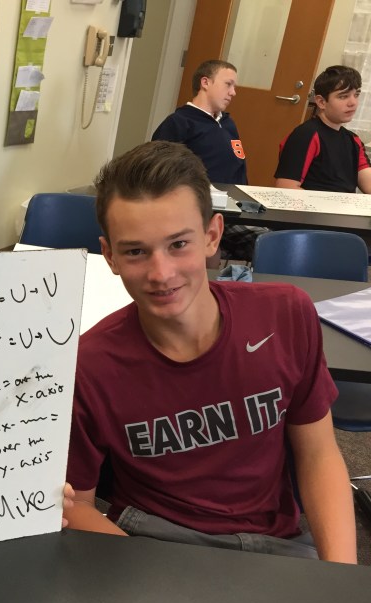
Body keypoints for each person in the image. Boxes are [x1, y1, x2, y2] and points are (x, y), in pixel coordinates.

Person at [63, 140, 357, 564]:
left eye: (178, 244)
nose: (161, 273)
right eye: (135, 251)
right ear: (109, 255)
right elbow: (76, 503)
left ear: (212, 236)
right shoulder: (88, 365)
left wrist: (341, 575)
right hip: (150, 544)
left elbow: (318, 453)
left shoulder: (286, 314)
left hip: (274, 544)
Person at [152, 59, 265, 264]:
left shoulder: (228, 124)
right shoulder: (180, 123)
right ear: (205, 82)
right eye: (228, 84)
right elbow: (159, 176)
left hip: (236, 209)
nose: (233, 92)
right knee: (264, 243)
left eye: (234, 87)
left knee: (274, 241)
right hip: (202, 211)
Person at [274, 65, 371, 193]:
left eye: (356, 95)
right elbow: (285, 187)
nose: (353, 103)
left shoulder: (353, 140)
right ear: (321, 102)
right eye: (343, 96)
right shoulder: (306, 135)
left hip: (344, 205)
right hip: (312, 205)